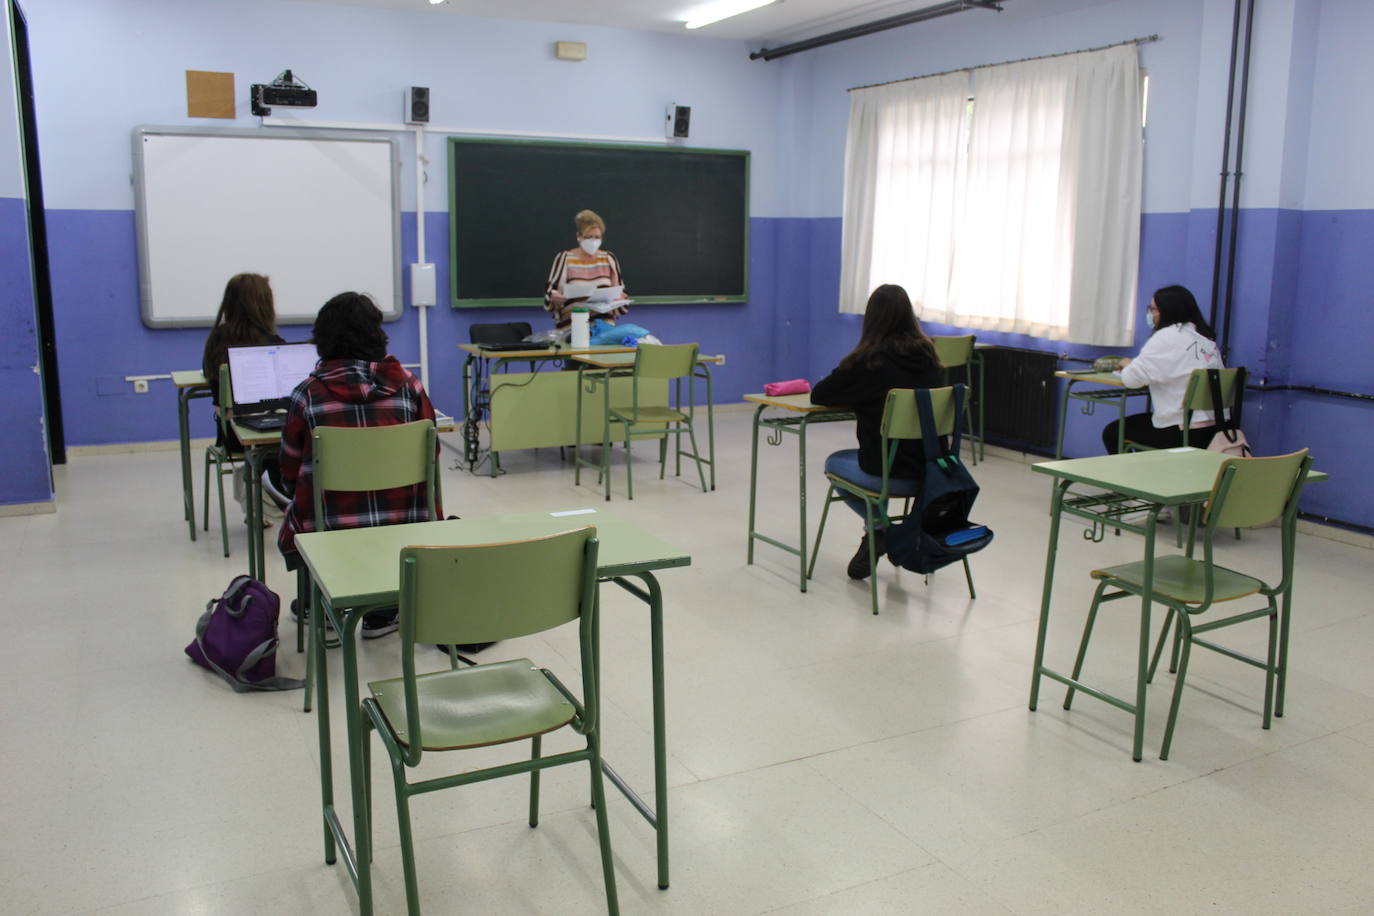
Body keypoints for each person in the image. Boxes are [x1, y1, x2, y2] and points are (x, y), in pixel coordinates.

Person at [277, 291, 442, 638]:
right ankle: (383, 613)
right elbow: (432, 459)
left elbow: (289, 473)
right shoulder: (410, 386)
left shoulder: (305, 394)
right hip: (403, 525)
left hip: (328, 531)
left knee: (289, 495)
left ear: (321, 339)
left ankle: (320, 607)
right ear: (376, 335)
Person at [811, 284, 944, 579]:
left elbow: (819, 394)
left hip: (885, 474)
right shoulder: (931, 359)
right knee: (876, 459)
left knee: (834, 463)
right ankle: (888, 535)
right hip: (930, 476)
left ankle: (881, 531)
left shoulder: (869, 362)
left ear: (871, 320)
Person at [201, 273, 290, 509]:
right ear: (265, 304)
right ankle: (276, 496)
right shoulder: (273, 343)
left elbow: (209, 378)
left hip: (232, 437)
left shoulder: (216, 340)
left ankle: (259, 499)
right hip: (274, 435)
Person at [1101, 284, 1225, 454]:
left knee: (1113, 432)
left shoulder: (1165, 337)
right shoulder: (1206, 339)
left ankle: (1129, 480)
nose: (1151, 314)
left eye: (1153, 309)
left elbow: (1131, 380)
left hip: (1182, 431)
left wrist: (1127, 365)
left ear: (1167, 312)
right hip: (1216, 429)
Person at [543, 209, 630, 333]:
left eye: (597, 237)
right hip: (572, 327)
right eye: (589, 237)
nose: (593, 241)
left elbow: (621, 293)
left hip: (604, 327)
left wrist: (621, 298)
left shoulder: (609, 258)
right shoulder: (565, 258)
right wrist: (554, 297)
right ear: (578, 236)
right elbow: (549, 294)